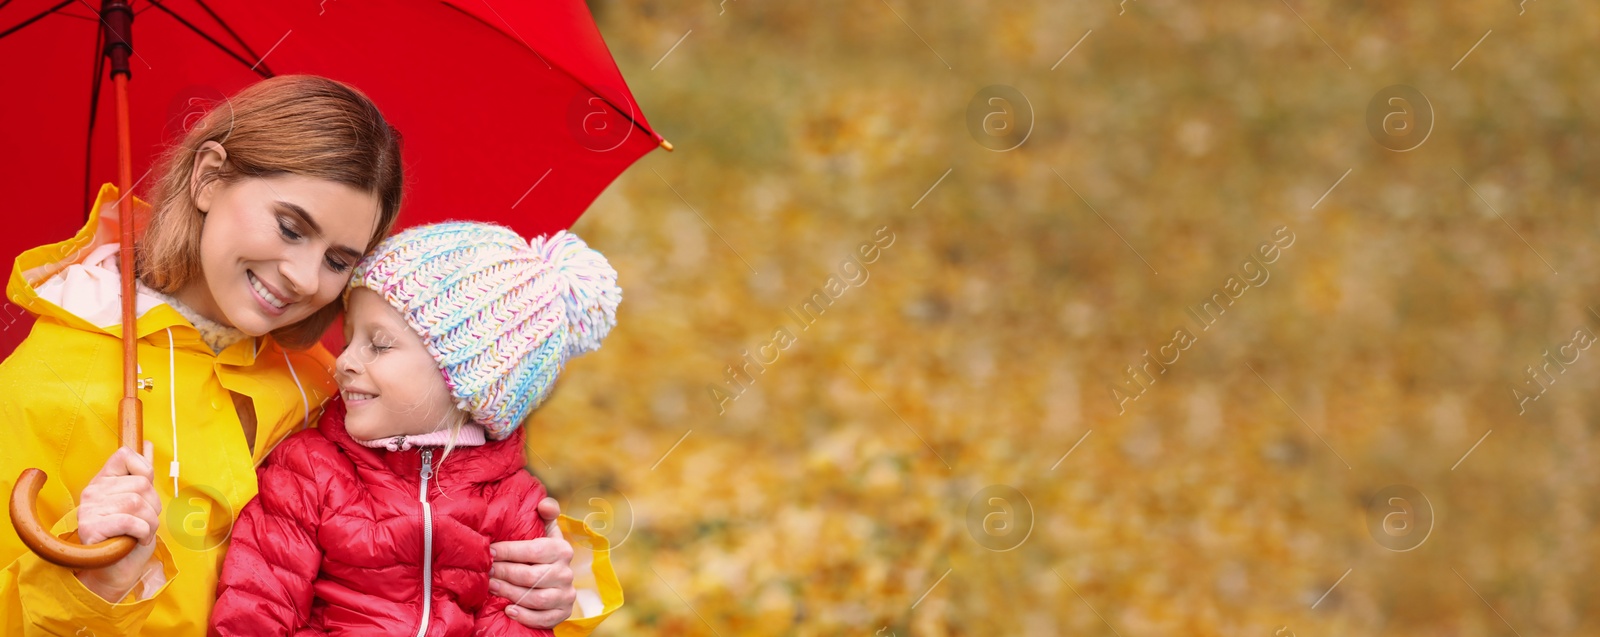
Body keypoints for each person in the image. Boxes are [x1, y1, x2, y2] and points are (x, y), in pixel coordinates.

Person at [0, 75, 619, 634]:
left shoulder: (324, 385)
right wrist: (95, 581)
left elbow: (419, 555)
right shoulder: (49, 385)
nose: (301, 277)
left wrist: (543, 579)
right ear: (209, 176)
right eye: (291, 227)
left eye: (338, 260)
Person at [211, 222, 620, 635]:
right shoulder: (309, 471)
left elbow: (514, 624)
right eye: (349, 339)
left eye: (379, 344)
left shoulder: (512, 504)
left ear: (467, 381)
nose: (344, 362)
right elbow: (256, 607)